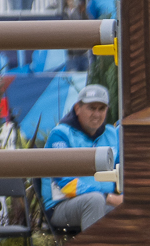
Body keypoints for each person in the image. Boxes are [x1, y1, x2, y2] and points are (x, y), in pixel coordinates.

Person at [43, 84, 121, 232]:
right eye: (92, 108)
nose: (97, 114)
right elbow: (64, 183)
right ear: (77, 108)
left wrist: (125, 197)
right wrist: (108, 197)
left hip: (106, 202)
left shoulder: (112, 134)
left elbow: (123, 173)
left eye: (101, 109)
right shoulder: (60, 135)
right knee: (95, 200)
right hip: (62, 205)